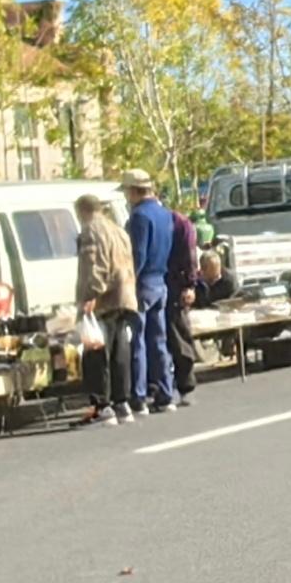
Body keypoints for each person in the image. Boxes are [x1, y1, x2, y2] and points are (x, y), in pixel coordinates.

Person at [76, 191, 140, 423]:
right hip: (123, 296)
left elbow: (95, 265)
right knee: (119, 351)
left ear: (82, 210)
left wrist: (91, 294)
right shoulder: (118, 230)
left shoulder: (91, 230)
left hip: (103, 300)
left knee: (97, 352)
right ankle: (122, 402)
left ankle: (103, 406)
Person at [123, 171, 181, 413]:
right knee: (158, 339)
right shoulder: (164, 214)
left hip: (143, 281)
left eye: (127, 191)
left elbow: (138, 254)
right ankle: (166, 392)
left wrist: (128, 282)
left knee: (138, 340)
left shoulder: (139, 217)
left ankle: (139, 396)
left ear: (135, 191)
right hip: (160, 279)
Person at [162, 201, 205, 402]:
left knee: (178, 335)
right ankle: (168, 385)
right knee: (170, 335)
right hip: (166, 281)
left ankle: (185, 385)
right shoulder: (174, 221)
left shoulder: (178, 222)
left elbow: (190, 254)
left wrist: (189, 283)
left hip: (174, 282)